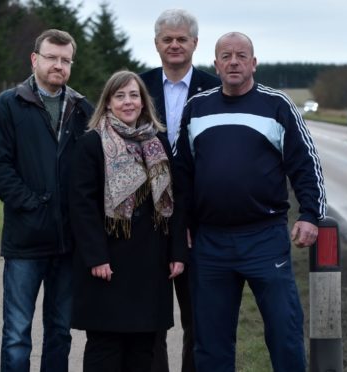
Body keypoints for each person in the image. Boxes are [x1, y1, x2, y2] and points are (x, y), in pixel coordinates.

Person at [175, 32, 327, 372]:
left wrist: (310, 214)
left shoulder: (277, 105)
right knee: (210, 340)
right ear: (215, 64)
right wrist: (180, 223)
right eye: (226, 56)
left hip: (265, 238)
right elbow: (181, 172)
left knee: (284, 331)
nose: (233, 61)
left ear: (253, 63)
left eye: (241, 55)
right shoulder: (197, 107)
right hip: (210, 241)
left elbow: (305, 164)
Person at [0, 29, 93, 372]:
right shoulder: (9, 104)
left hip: (68, 242)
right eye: (51, 58)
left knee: (60, 332)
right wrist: (31, 203)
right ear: (35, 59)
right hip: (25, 239)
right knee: (16, 334)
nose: (58, 65)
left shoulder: (82, 109)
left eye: (65, 60)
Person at [68, 70, 187, 371]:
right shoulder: (91, 144)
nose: (128, 102)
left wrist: (177, 253)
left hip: (151, 263)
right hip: (108, 264)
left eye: (134, 95)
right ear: (107, 103)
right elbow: (81, 207)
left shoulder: (158, 143)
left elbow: (173, 201)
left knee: (144, 350)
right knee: (105, 347)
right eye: (119, 96)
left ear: (144, 102)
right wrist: (96, 257)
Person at [139, 9, 220, 372]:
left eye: (181, 39)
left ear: (195, 44)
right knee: (150, 320)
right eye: (167, 39)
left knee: (198, 320)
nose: (174, 45)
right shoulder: (136, 88)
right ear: (156, 44)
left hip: (199, 223)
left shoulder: (215, 90)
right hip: (147, 222)